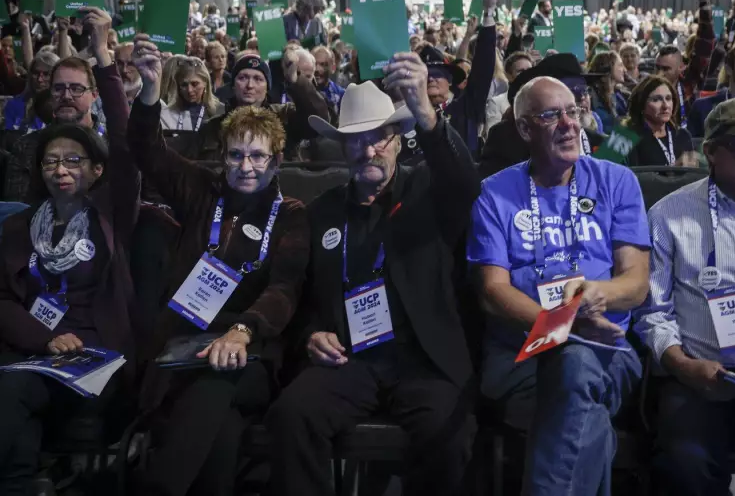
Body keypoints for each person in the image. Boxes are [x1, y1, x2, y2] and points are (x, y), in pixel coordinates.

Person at [266, 53, 481, 496]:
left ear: (399, 140)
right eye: (356, 141)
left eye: (379, 138)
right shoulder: (321, 211)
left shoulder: (429, 190)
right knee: (292, 415)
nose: (368, 150)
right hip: (349, 359)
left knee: (449, 432)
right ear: (341, 148)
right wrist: (311, 334)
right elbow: (301, 294)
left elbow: (464, 182)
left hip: (422, 359)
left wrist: (428, 115)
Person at [127, 34, 309, 496]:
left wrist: (243, 330)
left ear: (276, 160)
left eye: (257, 155)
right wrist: (149, 91)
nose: (246, 166)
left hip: (250, 351)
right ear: (223, 156)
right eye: (236, 155)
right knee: (221, 430)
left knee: (215, 379)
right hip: (181, 342)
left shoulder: (291, 214)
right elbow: (149, 152)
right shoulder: (202, 191)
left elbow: (284, 288)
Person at [468, 76, 651, 496]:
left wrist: (598, 295)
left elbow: (636, 282)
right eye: (552, 115)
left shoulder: (616, 181)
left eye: (573, 111)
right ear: (525, 129)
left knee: (576, 368)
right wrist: (563, 325)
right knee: (587, 414)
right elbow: (492, 291)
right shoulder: (495, 194)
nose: (570, 124)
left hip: (607, 350)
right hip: (522, 355)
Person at [0, 6, 140, 496]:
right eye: (51, 161)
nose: (61, 169)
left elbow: (124, 145)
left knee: (10, 390)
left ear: (94, 170)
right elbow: (2, 299)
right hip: (33, 351)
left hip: (95, 356)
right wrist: (44, 339)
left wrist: (104, 59)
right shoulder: (20, 226)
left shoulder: (110, 213)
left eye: (74, 160)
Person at [634, 97, 735, 496]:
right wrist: (680, 364)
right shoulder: (668, 215)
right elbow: (653, 312)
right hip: (704, 379)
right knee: (682, 462)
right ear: (710, 151)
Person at [4, 18, 113, 204]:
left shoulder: (112, 145)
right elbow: (18, 212)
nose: (67, 96)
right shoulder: (26, 147)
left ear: (94, 95)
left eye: (77, 89)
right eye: (59, 88)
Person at [479, 53, 605, 179]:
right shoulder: (507, 138)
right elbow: (494, 189)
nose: (583, 98)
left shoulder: (595, 140)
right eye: (573, 91)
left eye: (585, 90)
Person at [414, 0, 499, 159]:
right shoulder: (409, 114)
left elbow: (483, 66)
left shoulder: (466, 105)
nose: (431, 79)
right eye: (426, 74)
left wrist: (488, 13)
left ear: (451, 80)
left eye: (438, 74)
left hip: (465, 183)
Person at [196, 51, 329, 161]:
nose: (250, 85)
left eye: (258, 79)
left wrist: (296, 80)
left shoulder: (283, 117)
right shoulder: (214, 127)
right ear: (233, 85)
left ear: (267, 87)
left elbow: (318, 121)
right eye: (242, 78)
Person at [653, 0, 715, 128]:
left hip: (686, 144)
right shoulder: (646, 91)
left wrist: (704, 5)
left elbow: (705, 44)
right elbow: (628, 128)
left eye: (666, 69)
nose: (659, 73)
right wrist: (608, 152)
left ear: (681, 68)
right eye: (657, 68)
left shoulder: (688, 82)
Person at [622, 75, 696, 167]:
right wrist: (674, 170)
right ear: (641, 104)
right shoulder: (624, 135)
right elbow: (603, 171)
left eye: (668, 98)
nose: (665, 106)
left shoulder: (683, 135)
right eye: (656, 100)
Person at [160, 56, 223, 132]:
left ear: (205, 83)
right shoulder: (167, 113)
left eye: (194, 84)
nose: (189, 90)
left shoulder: (220, 111)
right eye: (184, 85)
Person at [3, 51, 58, 133]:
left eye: (46, 74)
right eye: (36, 73)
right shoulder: (13, 104)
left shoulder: (61, 108)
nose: (39, 79)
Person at [484, 51, 534, 134]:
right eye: (520, 71)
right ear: (509, 76)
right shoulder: (496, 103)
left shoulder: (542, 100)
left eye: (529, 70)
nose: (526, 74)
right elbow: (492, 136)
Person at [588, 50, 627, 130]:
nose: (624, 69)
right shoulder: (592, 96)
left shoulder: (619, 95)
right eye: (620, 65)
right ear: (608, 68)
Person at [311, 45, 345, 119]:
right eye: (314, 64)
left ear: (333, 68)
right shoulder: (301, 93)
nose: (317, 69)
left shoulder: (341, 94)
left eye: (323, 64)